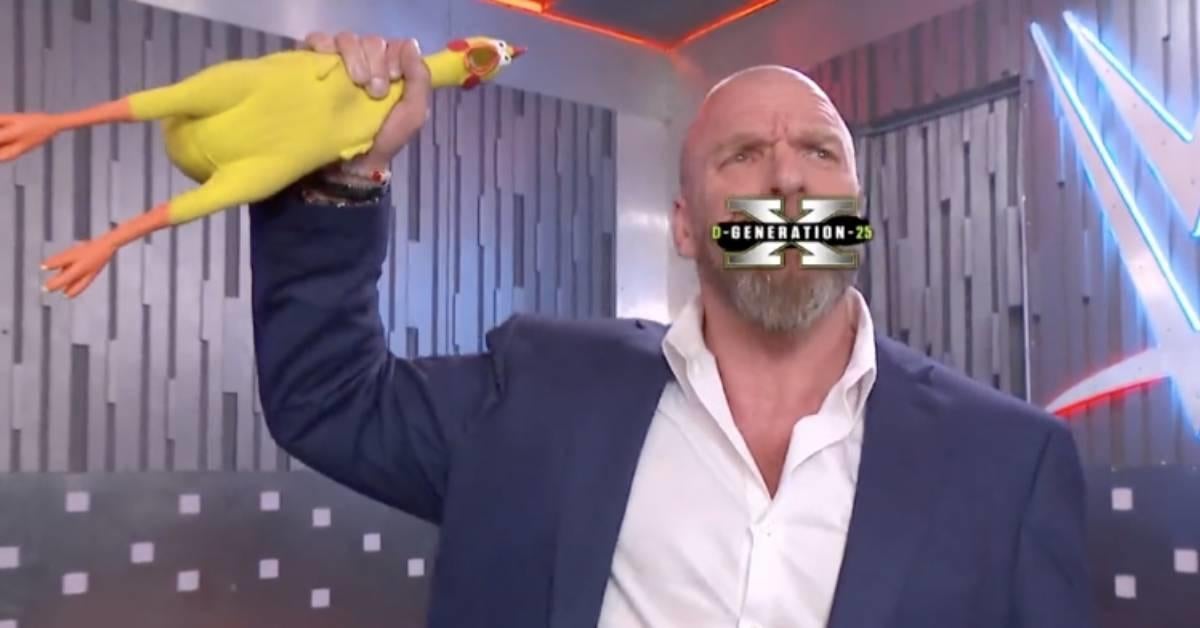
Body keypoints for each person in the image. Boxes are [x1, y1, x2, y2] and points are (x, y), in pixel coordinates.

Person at [248, 32, 1096, 628]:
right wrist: (345, 179)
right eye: (743, 156)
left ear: (854, 212)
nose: (788, 181)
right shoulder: (539, 393)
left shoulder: (1009, 465)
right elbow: (326, 398)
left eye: (819, 152)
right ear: (686, 228)